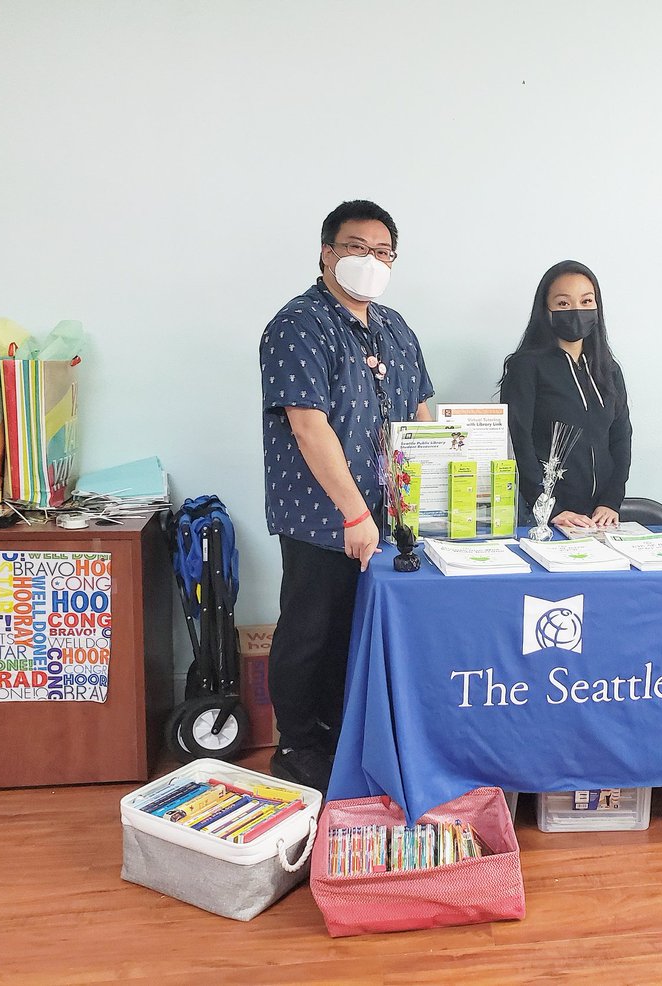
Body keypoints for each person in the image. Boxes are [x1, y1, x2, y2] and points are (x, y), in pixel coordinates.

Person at [258, 199, 433, 792]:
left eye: (383, 252)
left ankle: (348, 735)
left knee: (364, 629)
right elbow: (309, 425)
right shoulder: (297, 325)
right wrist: (354, 512)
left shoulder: (395, 327)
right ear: (327, 252)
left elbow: (422, 414)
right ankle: (300, 745)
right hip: (321, 516)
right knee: (313, 629)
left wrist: (432, 495)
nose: (371, 261)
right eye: (357, 247)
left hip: (390, 515)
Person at [498, 260, 632, 529]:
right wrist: (548, 507)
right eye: (563, 303)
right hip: (545, 517)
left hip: (599, 520)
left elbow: (621, 437)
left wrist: (611, 501)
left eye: (586, 301)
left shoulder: (608, 369)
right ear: (545, 310)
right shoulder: (526, 366)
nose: (576, 311)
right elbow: (518, 442)